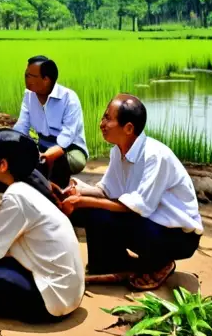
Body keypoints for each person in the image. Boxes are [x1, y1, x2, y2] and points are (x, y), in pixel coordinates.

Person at [59, 94, 203, 291]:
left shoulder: (154, 155)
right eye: (103, 117)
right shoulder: (118, 152)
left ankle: (161, 262)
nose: (102, 123)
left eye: (108, 119)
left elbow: (137, 208)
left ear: (128, 128)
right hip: (149, 223)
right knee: (86, 210)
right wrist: (77, 189)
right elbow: (107, 190)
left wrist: (84, 200)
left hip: (177, 237)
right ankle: (111, 264)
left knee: (93, 209)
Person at [0, 129, 84, 322]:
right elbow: (1, 246)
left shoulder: (16, 197)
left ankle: (2, 305)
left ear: (3, 165)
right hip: (68, 295)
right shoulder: (28, 188)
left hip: (52, 304)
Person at [12, 56, 88, 189]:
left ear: (46, 79)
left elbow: (68, 135)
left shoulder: (69, 98)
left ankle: (58, 194)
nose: (26, 79)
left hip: (70, 149)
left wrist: (49, 154)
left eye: (30, 76)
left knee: (57, 161)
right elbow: (22, 126)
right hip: (43, 145)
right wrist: (13, 142)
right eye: (26, 75)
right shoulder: (29, 95)